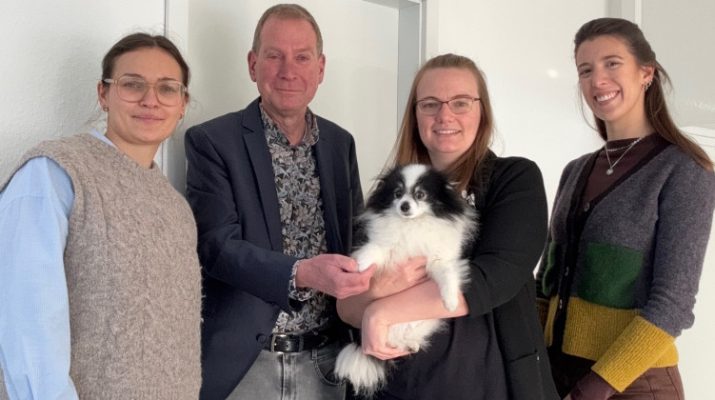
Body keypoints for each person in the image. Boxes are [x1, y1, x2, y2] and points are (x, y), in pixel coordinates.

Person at [337, 53, 559, 400]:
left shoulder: (514, 178)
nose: (445, 115)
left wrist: (381, 311)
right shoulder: (391, 194)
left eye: (460, 102)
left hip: (487, 385)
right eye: (430, 104)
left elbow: (496, 275)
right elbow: (346, 304)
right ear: (415, 116)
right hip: (396, 386)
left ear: (482, 111)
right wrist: (381, 290)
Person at [184, 4, 372, 400]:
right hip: (247, 368)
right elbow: (216, 247)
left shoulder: (340, 144)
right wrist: (302, 273)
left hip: (327, 365)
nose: (288, 70)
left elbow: (359, 238)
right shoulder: (212, 141)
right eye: (274, 56)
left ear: (320, 68)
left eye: (302, 57)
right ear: (253, 64)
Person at [0, 33, 201, 399]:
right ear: (103, 94)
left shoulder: (176, 208)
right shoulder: (55, 173)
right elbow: (27, 321)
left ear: (182, 104)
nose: (150, 100)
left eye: (167, 88)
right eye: (132, 84)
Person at [536, 17, 715, 400]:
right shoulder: (575, 171)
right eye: (585, 70)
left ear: (646, 73)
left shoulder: (684, 170)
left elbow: (673, 304)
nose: (597, 80)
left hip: (633, 383)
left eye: (612, 63)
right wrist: (525, 361)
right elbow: (547, 280)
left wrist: (591, 390)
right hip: (556, 375)